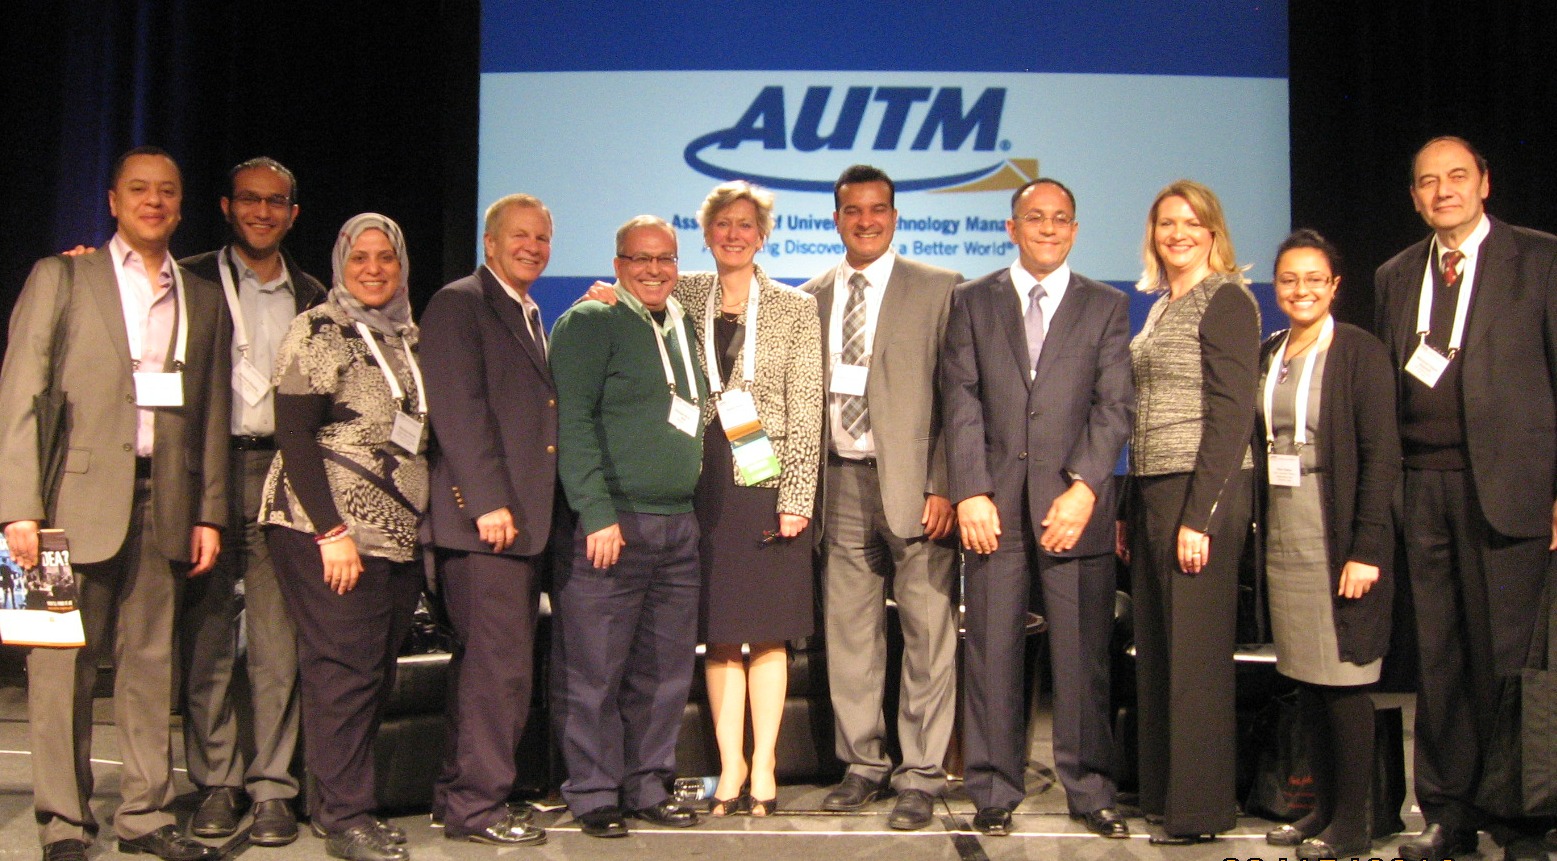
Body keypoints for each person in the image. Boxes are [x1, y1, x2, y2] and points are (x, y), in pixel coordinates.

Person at [0, 145, 229, 861]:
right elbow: (21, 396)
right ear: (113, 200)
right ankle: (63, 823)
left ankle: (145, 816)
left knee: (149, 666)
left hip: (163, 502)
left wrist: (209, 512)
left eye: (166, 191)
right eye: (139, 189)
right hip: (64, 504)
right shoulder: (62, 276)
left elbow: (212, 413)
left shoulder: (200, 297)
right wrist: (17, 509)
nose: (153, 200)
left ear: (181, 205)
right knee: (57, 669)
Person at [1375, 136, 1557, 861]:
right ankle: (1447, 812)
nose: (1442, 190)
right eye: (1427, 181)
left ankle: (1520, 819)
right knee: (1439, 659)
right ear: (1415, 196)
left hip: (1511, 488)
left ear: (1484, 182)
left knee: (1506, 661)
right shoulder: (1395, 274)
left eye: (1456, 176)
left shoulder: (1539, 259)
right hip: (1421, 488)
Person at [941, 178, 1134, 837]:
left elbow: (1114, 406)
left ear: (1074, 230)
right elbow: (960, 400)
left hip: (1073, 508)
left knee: (1082, 659)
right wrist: (969, 488)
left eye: (1060, 219)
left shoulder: (1105, 305)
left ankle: (1088, 789)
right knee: (991, 653)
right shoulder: (971, 301)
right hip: (992, 508)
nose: (1048, 228)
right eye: (1035, 217)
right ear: (1011, 226)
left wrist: (1084, 488)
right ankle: (992, 787)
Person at [260, 213, 427, 861]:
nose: (374, 268)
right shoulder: (316, 328)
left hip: (393, 535)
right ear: (340, 262)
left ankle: (343, 803)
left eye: (386, 256)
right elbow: (295, 435)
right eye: (360, 256)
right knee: (344, 670)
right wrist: (331, 530)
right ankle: (343, 815)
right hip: (324, 528)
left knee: (372, 671)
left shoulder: (408, 334)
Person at [801, 164, 962, 832]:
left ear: (895, 216)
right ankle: (862, 762)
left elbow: (961, 397)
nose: (865, 220)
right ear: (835, 217)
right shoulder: (807, 296)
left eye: (877, 210)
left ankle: (920, 773)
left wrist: (945, 483)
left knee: (927, 631)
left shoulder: (940, 288)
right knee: (850, 632)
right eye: (852, 210)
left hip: (915, 486)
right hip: (838, 479)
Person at [177, 156, 324, 847]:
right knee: (207, 635)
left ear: (293, 213)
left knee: (275, 639)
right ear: (227, 206)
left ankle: (271, 787)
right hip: (205, 469)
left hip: (283, 471)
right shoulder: (187, 278)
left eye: (276, 203)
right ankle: (216, 781)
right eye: (249, 200)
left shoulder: (313, 292)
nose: (262, 212)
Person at [549, 215, 708, 839]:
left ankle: (648, 785)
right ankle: (592, 792)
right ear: (616, 264)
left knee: (665, 673)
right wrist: (596, 514)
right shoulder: (591, 322)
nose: (653, 270)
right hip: (612, 526)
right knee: (594, 672)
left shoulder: (683, 323)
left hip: (677, 527)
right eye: (639, 259)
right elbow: (573, 424)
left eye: (664, 258)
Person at [675, 182, 823, 816]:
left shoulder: (794, 307)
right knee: (720, 632)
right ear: (707, 235)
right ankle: (728, 764)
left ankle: (764, 764)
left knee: (766, 634)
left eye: (745, 225)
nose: (733, 234)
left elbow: (809, 405)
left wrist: (797, 495)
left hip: (766, 483)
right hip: (700, 483)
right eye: (722, 225)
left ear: (762, 235)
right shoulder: (681, 297)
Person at [1256, 230, 1400, 860]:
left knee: (1344, 680)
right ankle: (1318, 810)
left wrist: (1366, 548)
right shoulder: (1271, 351)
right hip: (1285, 528)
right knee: (1306, 680)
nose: (1301, 290)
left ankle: (1354, 823)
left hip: (1338, 529)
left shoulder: (1360, 354)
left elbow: (1381, 455)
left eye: (1314, 278)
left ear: (1336, 285)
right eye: (1289, 279)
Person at [1126, 179, 1260, 844]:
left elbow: (1234, 415)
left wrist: (1199, 515)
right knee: (1157, 652)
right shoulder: (1157, 307)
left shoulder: (1226, 299)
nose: (1175, 234)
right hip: (1153, 487)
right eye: (1164, 224)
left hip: (1199, 490)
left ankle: (1200, 810)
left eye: (1188, 223)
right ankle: (1161, 794)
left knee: (1196, 659)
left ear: (1212, 231)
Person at [420, 194, 555, 847]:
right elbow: (458, 410)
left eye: (541, 237)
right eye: (518, 236)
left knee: (488, 666)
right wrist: (489, 501)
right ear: (489, 242)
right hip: (487, 526)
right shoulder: (460, 303)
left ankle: (457, 795)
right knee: (497, 670)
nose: (530, 246)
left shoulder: (527, 311)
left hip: (518, 525)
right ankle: (478, 805)